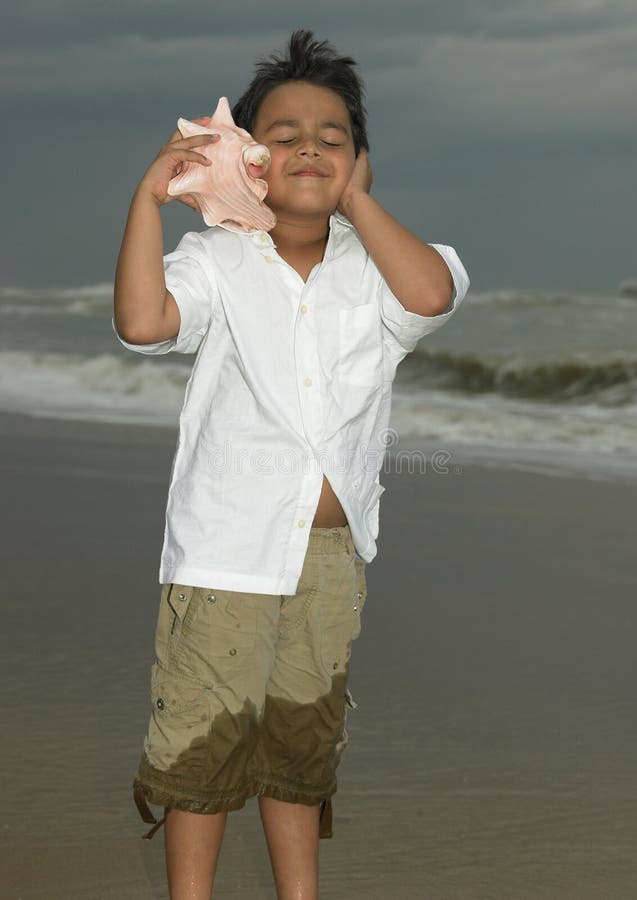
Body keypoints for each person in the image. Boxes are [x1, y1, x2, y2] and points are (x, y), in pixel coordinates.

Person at [112, 28, 469, 900]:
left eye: (333, 136)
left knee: (299, 745)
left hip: (330, 561)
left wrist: (356, 206)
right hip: (227, 555)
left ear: (359, 164)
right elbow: (144, 323)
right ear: (248, 159)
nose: (309, 144)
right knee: (206, 743)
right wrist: (145, 202)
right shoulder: (220, 260)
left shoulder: (381, 272)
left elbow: (431, 294)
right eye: (282, 134)